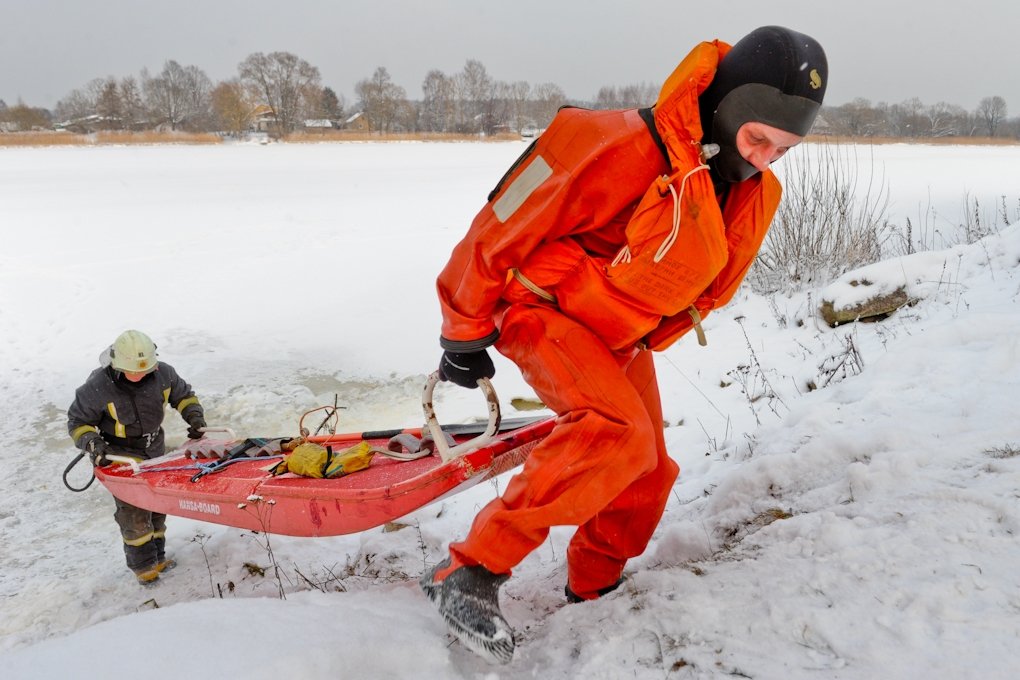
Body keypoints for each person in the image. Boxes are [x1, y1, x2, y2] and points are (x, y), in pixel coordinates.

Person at [419, 26, 828, 663]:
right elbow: (500, 224)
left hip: (617, 335)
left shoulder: (751, 192)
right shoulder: (609, 142)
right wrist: (462, 329)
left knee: (649, 470)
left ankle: (594, 583)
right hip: (543, 308)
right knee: (615, 431)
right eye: (757, 139)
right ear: (725, 104)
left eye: (784, 148)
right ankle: (469, 574)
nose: (766, 159)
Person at [67, 330, 207, 584]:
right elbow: (78, 422)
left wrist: (195, 416)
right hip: (119, 455)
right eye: (134, 371)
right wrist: (93, 443)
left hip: (154, 449)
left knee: (157, 506)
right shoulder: (97, 387)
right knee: (133, 511)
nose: (141, 374)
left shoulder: (163, 373)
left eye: (146, 369)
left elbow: (184, 396)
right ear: (118, 365)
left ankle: (159, 557)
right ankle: (144, 568)